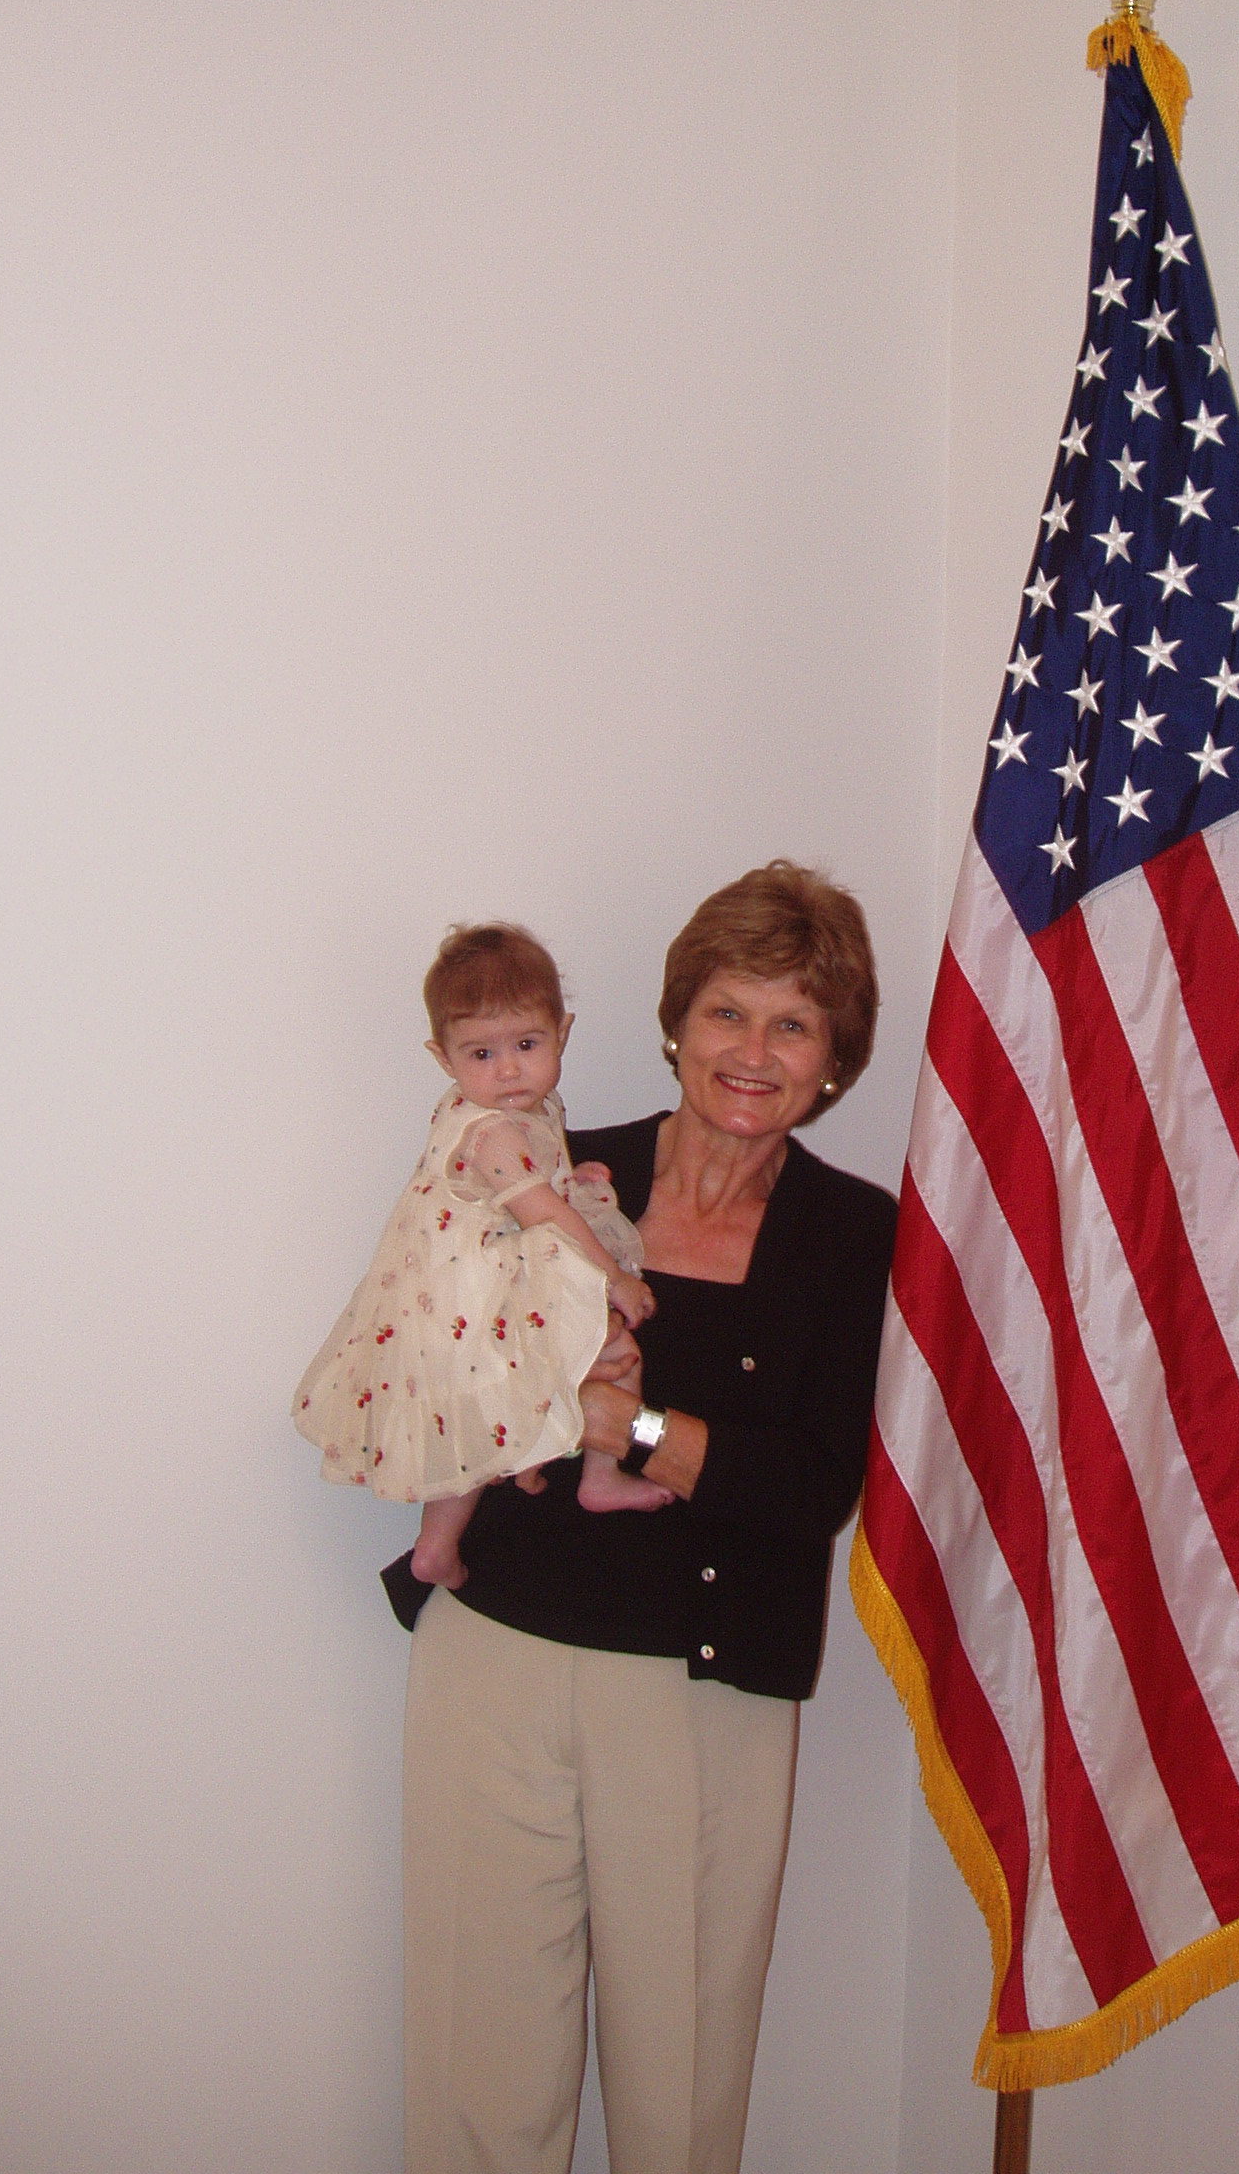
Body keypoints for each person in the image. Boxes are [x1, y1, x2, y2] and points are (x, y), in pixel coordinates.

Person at [388, 861, 896, 2174]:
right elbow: (438, 1336)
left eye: (793, 1024)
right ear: (678, 1023)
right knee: (477, 2076)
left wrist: (633, 1428)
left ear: (835, 1060)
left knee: (679, 2093)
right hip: (496, 1657)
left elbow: (812, 1487)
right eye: (728, 1011)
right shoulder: (560, 1163)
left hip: (698, 1700)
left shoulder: (854, 1235)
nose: (753, 1052)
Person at [294, 923, 663, 1596]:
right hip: (481, 1300)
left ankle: (449, 1532)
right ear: (443, 1057)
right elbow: (542, 1215)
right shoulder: (490, 1130)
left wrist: (572, 1179)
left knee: (467, 1426)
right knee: (615, 1347)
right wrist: (614, 1279)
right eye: (482, 1053)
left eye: (527, 1044)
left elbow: (528, 1191)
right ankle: (601, 1477)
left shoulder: (511, 1108)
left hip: (459, 1297)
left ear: (562, 1033)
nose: (509, 1069)